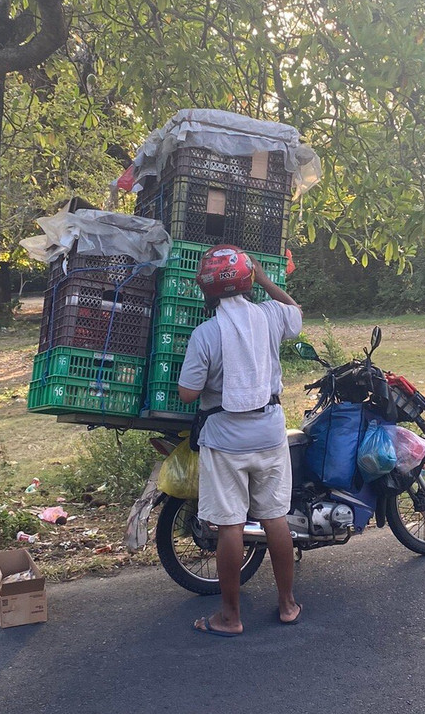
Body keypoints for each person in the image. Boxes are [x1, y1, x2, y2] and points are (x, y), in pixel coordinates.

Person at [178, 245, 303, 636]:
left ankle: (230, 617)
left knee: (231, 525)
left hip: (225, 440)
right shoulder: (268, 317)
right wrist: (267, 279)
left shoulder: (206, 333)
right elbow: (296, 314)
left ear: (208, 289)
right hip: (269, 432)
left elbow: (187, 393)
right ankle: (287, 604)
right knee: (274, 519)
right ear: (248, 282)